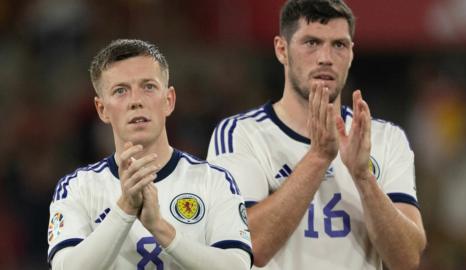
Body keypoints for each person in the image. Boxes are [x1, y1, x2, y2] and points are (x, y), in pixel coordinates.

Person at [207, 0, 427, 269]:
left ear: (351, 54)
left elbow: (407, 259)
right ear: (281, 50)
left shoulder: (385, 138)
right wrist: (318, 157)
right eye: (311, 42)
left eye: (339, 45)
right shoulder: (241, 134)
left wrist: (363, 178)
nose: (326, 58)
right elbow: (249, 248)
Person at [47, 39, 252, 270]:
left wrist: (160, 228)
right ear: (102, 109)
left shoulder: (213, 181)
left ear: (169, 100)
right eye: (120, 91)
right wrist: (125, 209)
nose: (136, 101)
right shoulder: (78, 188)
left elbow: (238, 266)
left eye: (148, 87)